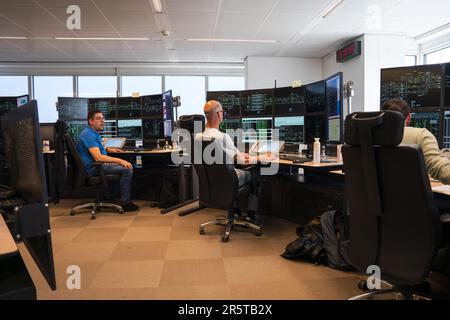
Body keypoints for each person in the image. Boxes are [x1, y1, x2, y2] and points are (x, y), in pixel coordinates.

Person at [197, 100, 274, 221]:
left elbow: (225, 156)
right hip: (228, 179)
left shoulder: (198, 137)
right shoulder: (222, 137)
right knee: (255, 175)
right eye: (222, 111)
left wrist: (238, 154)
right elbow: (243, 161)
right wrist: (262, 157)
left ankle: (236, 211)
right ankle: (251, 215)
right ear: (218, 114)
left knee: (231, 173)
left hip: (212, 181)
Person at [77, 110, 138, 212]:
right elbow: (98, 158)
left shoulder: (92, 133)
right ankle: (126, 203)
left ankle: (108, 196)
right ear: (91, 121)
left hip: (96, 166)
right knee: (127, 169)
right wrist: (120, 161)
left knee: (121, 167)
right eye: (98, 118)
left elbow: (95, 150)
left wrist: (107, 149)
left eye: (103, 118)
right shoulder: (89, 135)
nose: (102, 121)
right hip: (94, 167)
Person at [381, 99, 450, 184]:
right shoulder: (421, 135)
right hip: (409, 195)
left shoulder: (366, 136)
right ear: (409, 117)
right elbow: (439, 169)